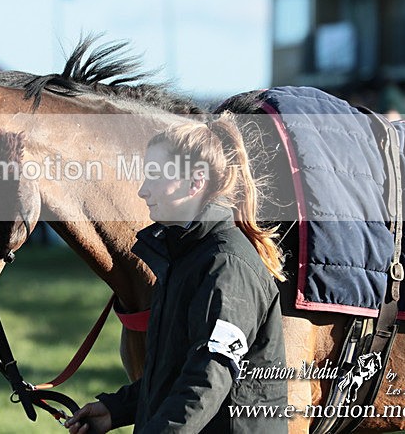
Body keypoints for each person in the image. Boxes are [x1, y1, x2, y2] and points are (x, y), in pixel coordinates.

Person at [66, 114, 288, 433]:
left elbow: (209, 376)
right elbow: (175, 371)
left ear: (195, 182)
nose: (143, 190)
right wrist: (116, 410)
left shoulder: (225, 264)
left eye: (155, 175)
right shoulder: (185, 257)